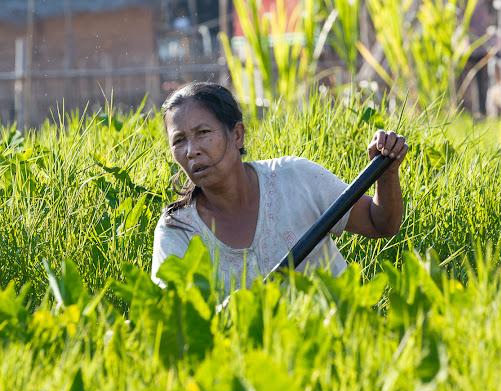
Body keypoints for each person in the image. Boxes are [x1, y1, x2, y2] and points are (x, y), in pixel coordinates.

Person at [151, 83, 408, 291]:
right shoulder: (178, 229)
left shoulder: (294, 178)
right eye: (179, 140)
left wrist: (387, 173)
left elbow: (380, 224)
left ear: (237, 135)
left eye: (203, 132)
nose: (191, 150)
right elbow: (175, 317)